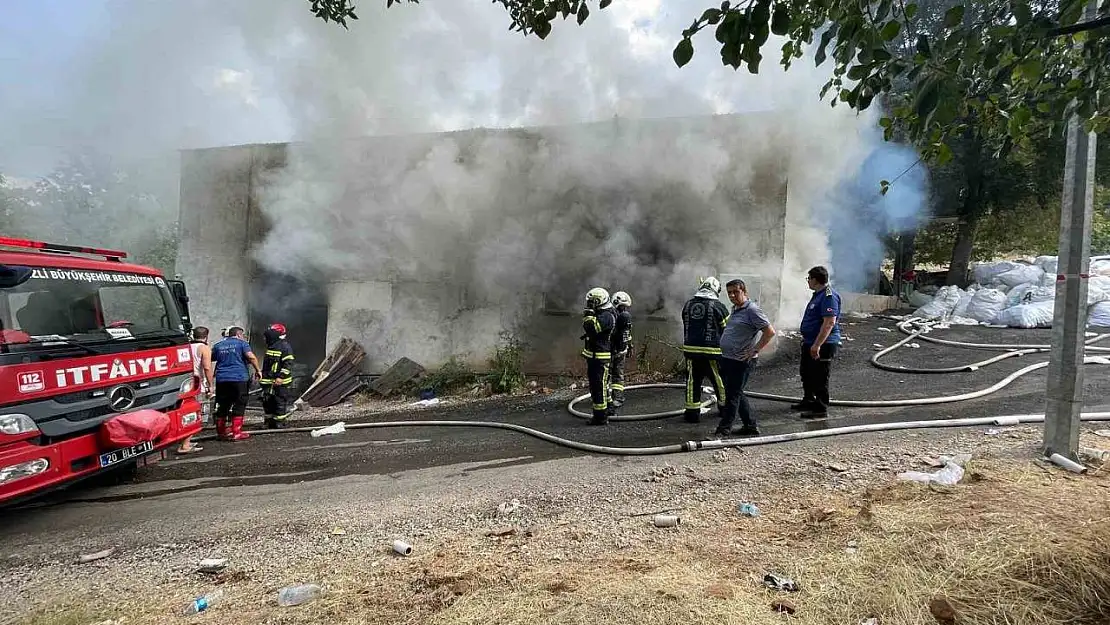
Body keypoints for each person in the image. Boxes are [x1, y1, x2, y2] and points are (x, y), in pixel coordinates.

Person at [714, 279, 776, 438]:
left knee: (732, 395)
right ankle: (750, 425)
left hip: (741, 360)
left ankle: (724, 430)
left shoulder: (752, 310)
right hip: (728, 358)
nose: (732, 295)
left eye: (736, 292)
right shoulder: (736, 309)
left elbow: (769, 332)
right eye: (729, 293)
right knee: (735, 392)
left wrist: (754, 350)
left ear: (744, 291)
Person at [794, 265, 842, 419]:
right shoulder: (818, 294)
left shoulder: (829, 296)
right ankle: (808, 399)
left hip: (824, 344)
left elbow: (829, 323)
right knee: (806, 372)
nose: (807, 281)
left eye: (808, 278)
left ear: (815, 280)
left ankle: (820, 408)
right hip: (810, 341)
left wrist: (817, 345)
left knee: (820, 376)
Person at [680, 277, 730, 423]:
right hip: (712, 352)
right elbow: (727, 328)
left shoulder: (688, 304)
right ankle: (724, 408)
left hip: (691, 351)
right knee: (719, 380)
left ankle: (692, 413)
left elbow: (686, 323)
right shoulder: (718, 306)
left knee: (692, 382)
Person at [212, 326, 261, 441]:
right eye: (242, 335)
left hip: (222, 379)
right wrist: (258, 370)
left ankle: (221, 432)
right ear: (239, 334)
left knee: (223, 404)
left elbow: (212, 358)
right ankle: (236, 433)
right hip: (238, 378)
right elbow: (251, 357)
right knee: (239, 403)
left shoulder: (218, 345)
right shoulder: (242, 344)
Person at [581, 287, 616, 425]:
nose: (589, 304)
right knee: (602, 385)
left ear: (598, 301)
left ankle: (600, 417)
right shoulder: (603, 313)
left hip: (600, 357)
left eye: (591, 302)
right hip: (595, 356)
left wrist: (588, 315)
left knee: (599, 387)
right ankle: (609, 409)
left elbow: (592, 328)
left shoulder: (606, 316)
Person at [177, 326, 214, 454]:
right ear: (206, 336)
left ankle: (185, 441)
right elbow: (207, 368)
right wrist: (211, 385)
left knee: (185, 413)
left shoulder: (185, 346)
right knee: (197, 415)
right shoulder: (204, 348)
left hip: (185, 385)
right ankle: (185, 445)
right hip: (198, 386)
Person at [260, 322, 296, 429]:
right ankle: (269, 421)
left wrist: (281, 377)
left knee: (279, 401)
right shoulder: (271, 345)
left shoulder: (285, 347)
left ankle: (280, 422)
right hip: (268, 380)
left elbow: (288, 363)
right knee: (267, 401)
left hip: (280, 381)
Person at [609, 291, 633, 410]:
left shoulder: (621, 316)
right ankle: (611, 398)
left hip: (618, 350)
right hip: (614, 350)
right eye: (623, 306)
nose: (624, 309)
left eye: (625, 307)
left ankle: (616, 397)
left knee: (616, 375)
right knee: (613, 375)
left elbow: (627, 333)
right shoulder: (613, 316)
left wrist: (629, 346)